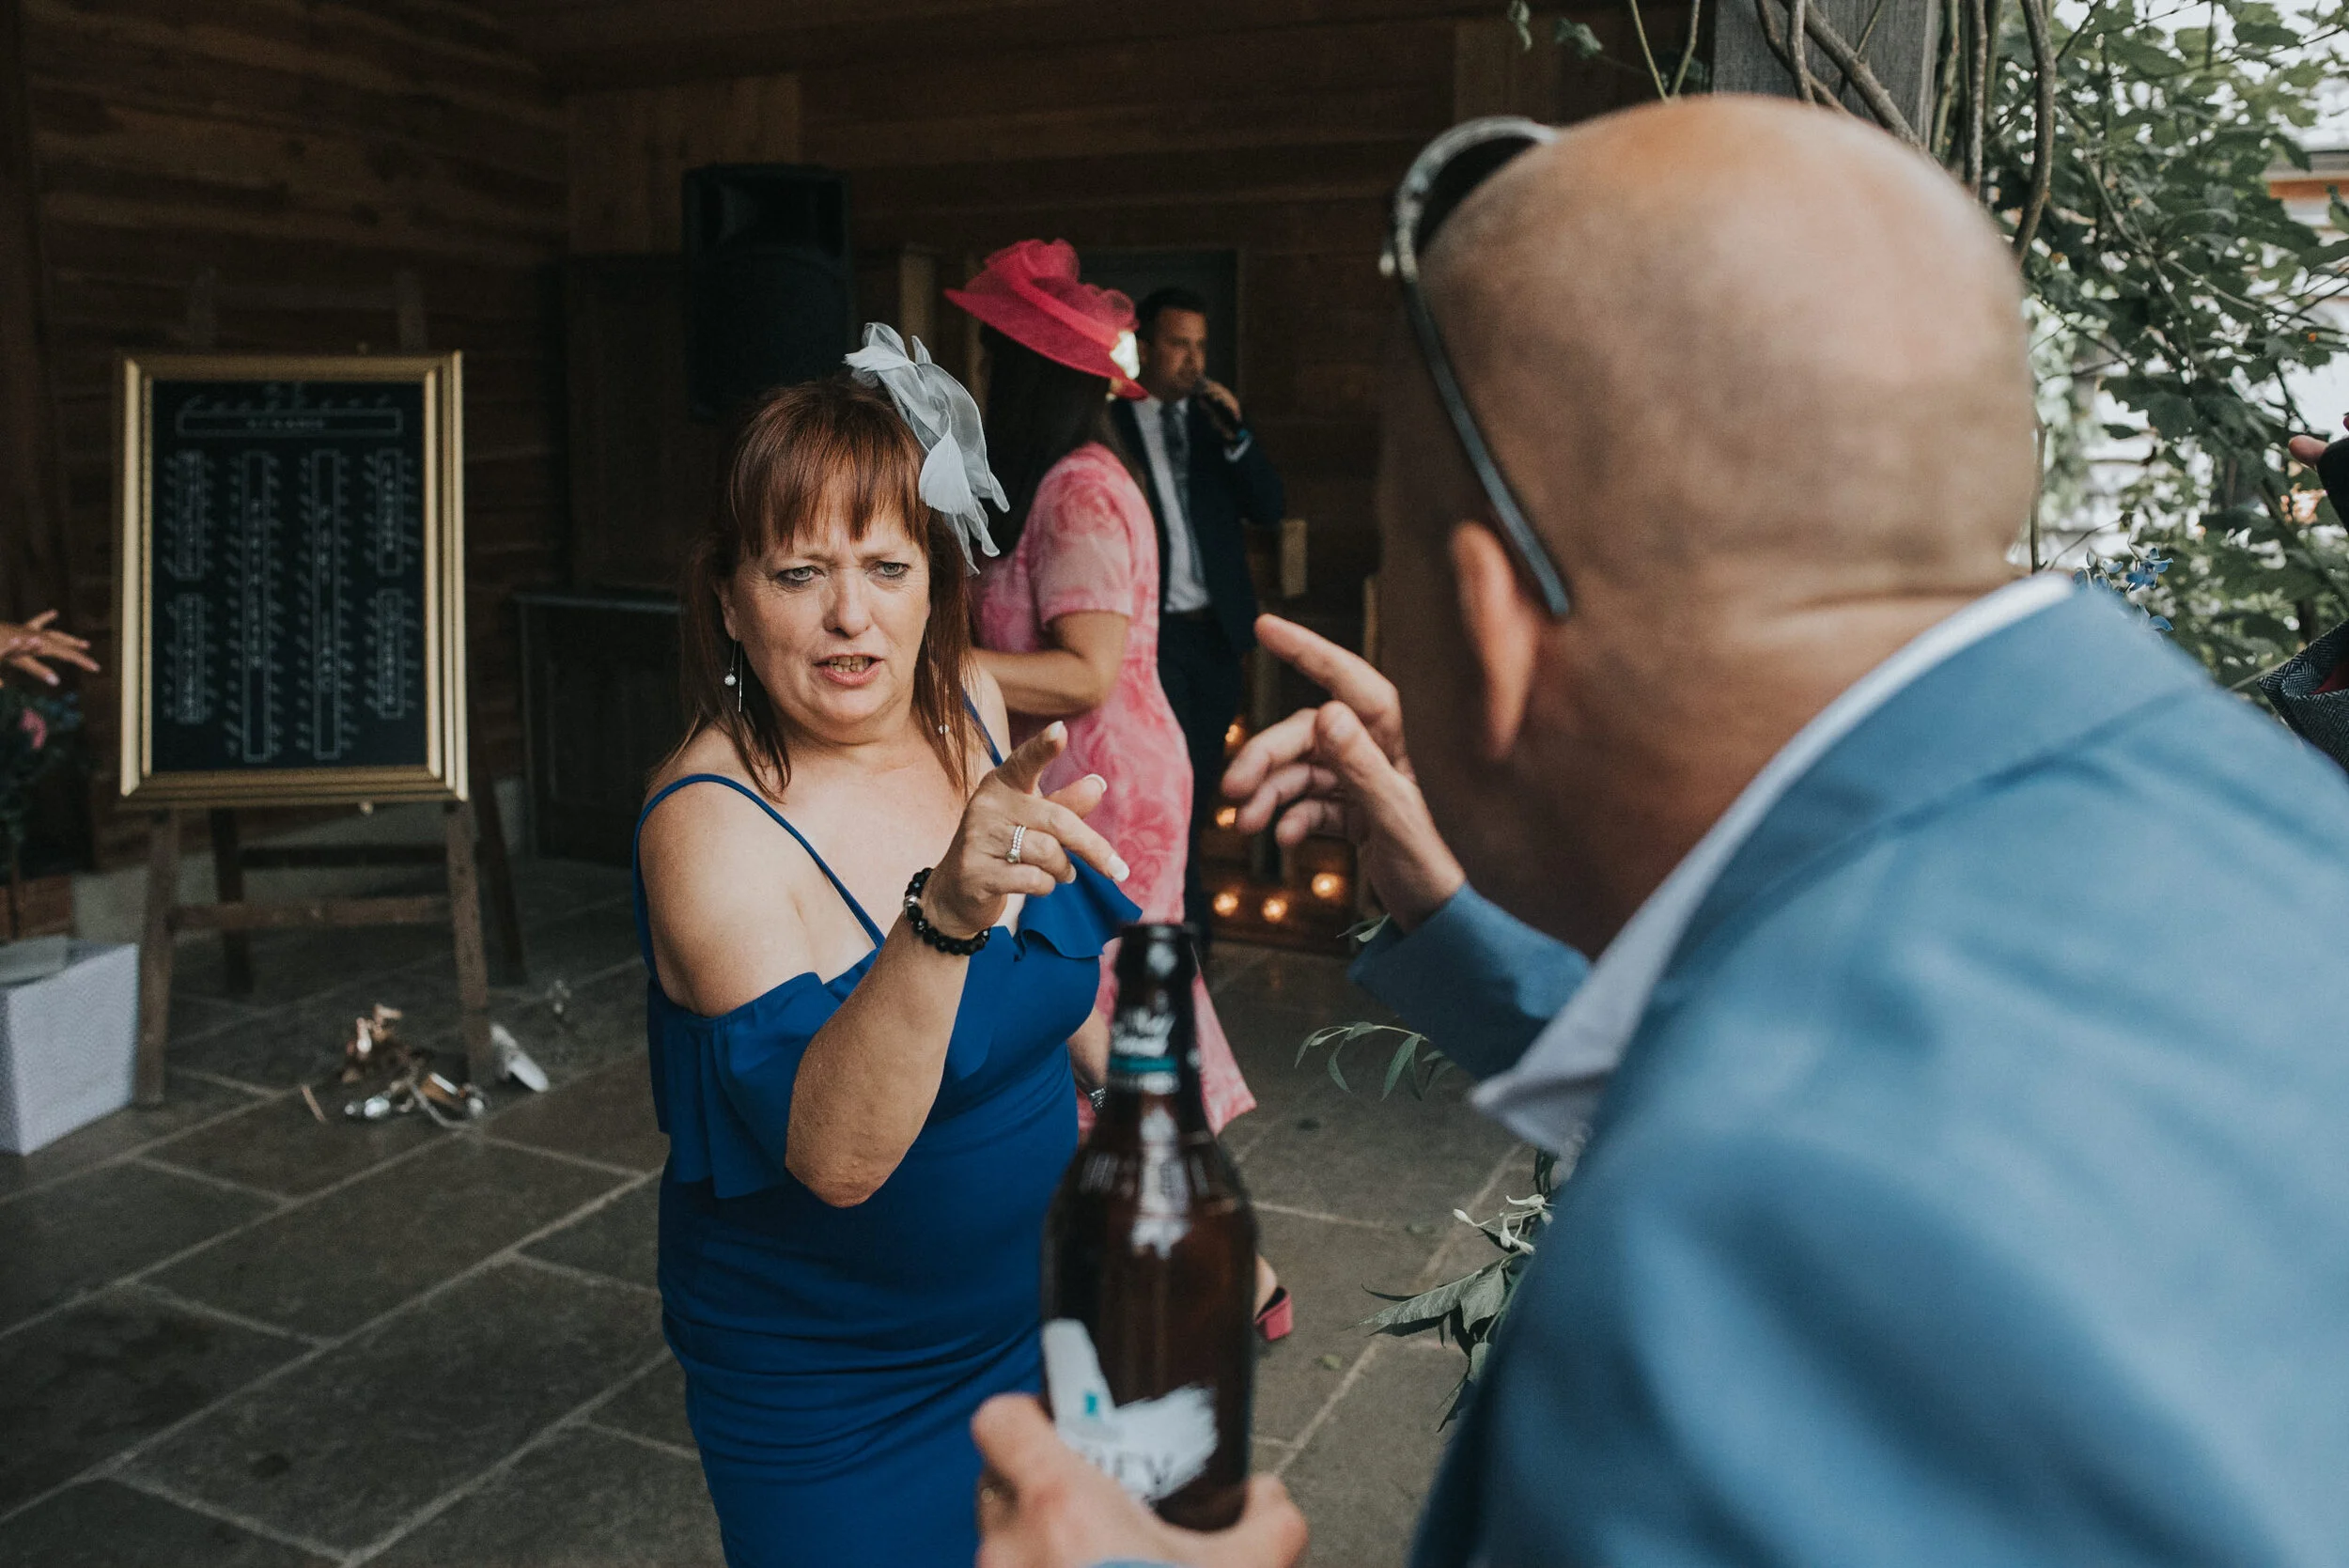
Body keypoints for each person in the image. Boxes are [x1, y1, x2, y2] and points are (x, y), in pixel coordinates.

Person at [970, 96, 2349, 1567]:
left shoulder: (1719, 1268)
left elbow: (1829, 1151)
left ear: (1489, 634)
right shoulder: (2269, 815)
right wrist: (1452, 913)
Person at [633, 359, 1142, 1568]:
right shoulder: (705, 822)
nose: (851, 616)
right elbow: (839, 1156)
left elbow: (1051, 979)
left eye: (886, 568)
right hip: (833, 1389)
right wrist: (945, 918)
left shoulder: (964, 699)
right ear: (732, 598)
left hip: (1037, 1317)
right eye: (800, 573)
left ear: (935, 584)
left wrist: (1159, 1150)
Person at [952, 241, 1291, 1341]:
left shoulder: (1082, 490)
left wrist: (937, 670)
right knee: (1093, 1037)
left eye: (992, 355)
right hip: (1077, 780)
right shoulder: (1048, 483)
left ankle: (1232, 1273)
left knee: (1106, 1034)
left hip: (1112, 789)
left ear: (1025, 368)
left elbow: (1087, 671)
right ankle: (1188, 1270)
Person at [1107, 287, 1286, 947]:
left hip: (1216, 635)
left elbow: (1269, 504)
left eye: (1200, 346)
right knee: (1161, 783)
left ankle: (1180, 904)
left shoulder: (1216, 424)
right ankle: (1180, 921)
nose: (1192, 360)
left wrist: (1238, 436)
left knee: (1202, 781)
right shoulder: (1112, 424)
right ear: (1148, 347)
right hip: (1150, 637)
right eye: (1180, 344)